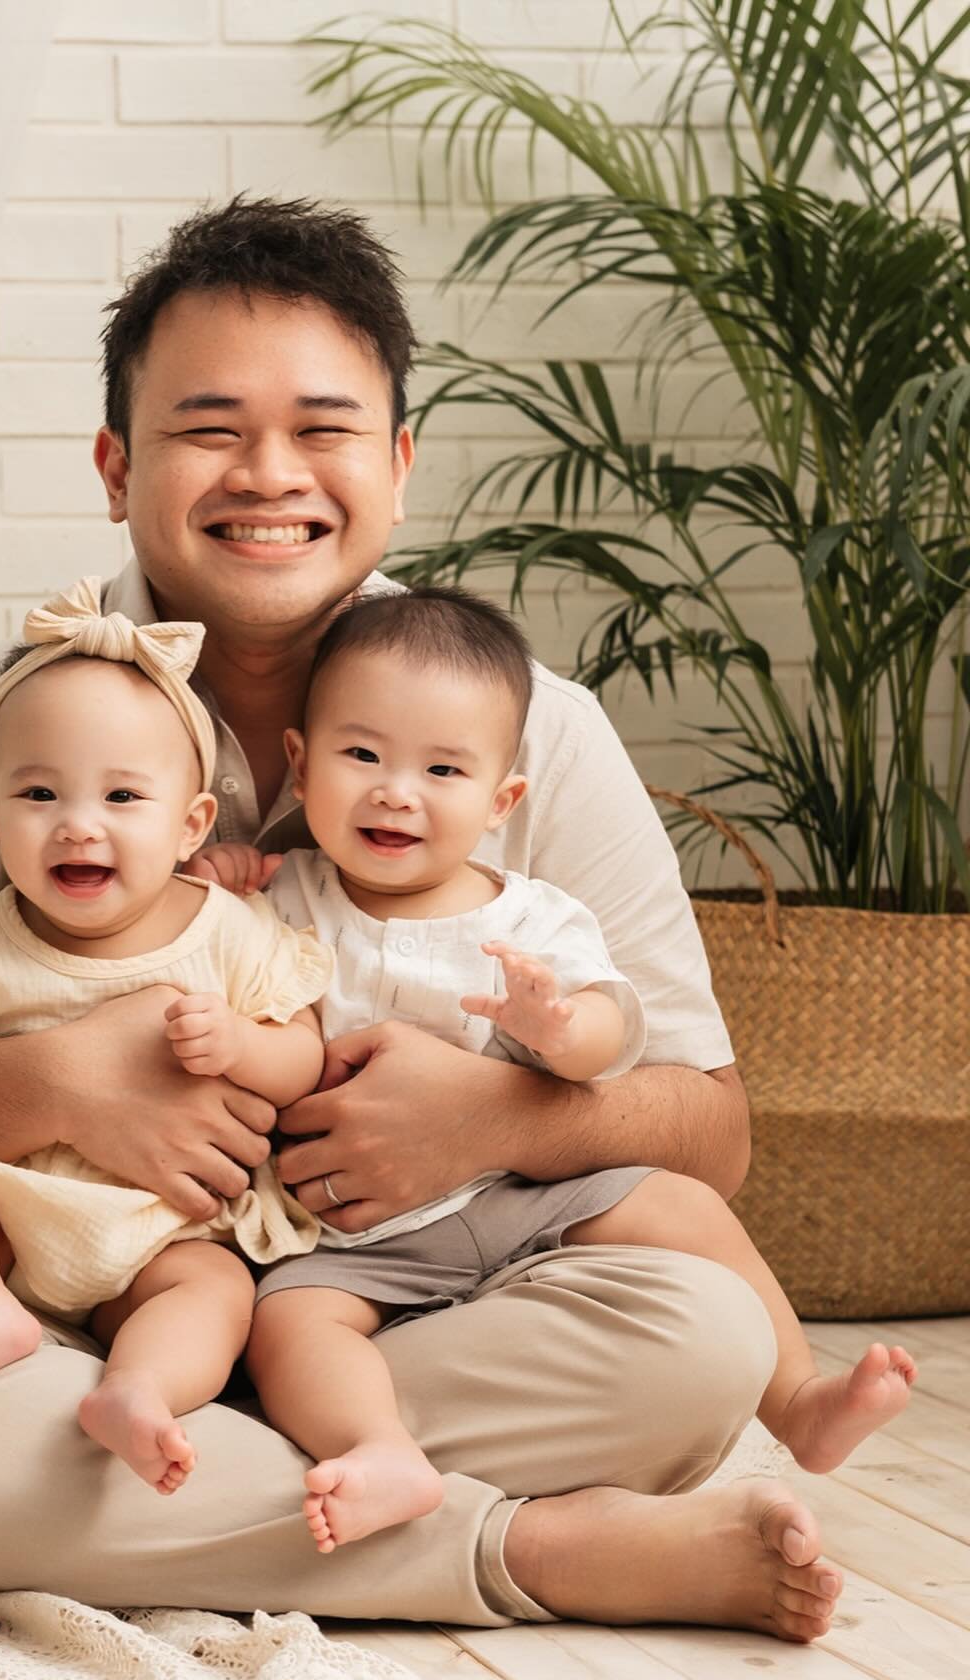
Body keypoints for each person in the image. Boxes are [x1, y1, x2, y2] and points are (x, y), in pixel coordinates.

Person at [0, 194, 846, 1648]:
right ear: (117, 465)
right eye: (207, 428)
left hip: (407, 1323)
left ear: (397, 463)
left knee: (702, 1341)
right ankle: (534, 1553)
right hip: (85, 1320)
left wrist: (494, 1118)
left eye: (322, 428)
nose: (270, 476)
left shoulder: (529, 731)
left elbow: (711, 1129)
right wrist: (31, 1084)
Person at [190, 585, 917, 1552]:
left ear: (501, 802)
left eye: (443, 769)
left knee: (683, 1207)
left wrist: (562, 1026)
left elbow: (614, 1035)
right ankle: (378, 1448)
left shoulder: (529, 916)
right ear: (301, 762)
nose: (396, 791)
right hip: (344, 1235)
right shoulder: (288, 903)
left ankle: (800, 1404)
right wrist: (205, 883)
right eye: (360, 755)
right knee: (290, 1330)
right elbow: (205, 965)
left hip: (516, 1197)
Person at [0, 582, 329, 1495]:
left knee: (218, 1293)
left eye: (123, 795)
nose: (80, 822)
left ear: (191, 823)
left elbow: (304, 1048)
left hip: (160, 1232)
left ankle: (137, 1391)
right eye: (41, 794)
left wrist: (240, 1045)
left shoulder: (224, 930)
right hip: (2, 1217)